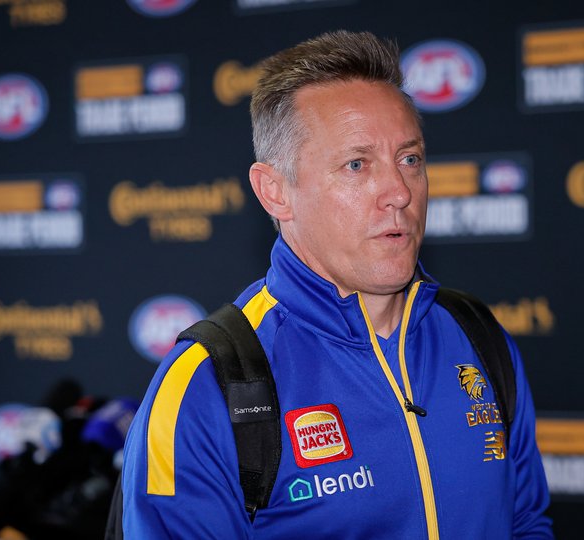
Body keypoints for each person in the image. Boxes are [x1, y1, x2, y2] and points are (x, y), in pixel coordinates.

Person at [122, 30, 553, 539]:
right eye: (357, 164)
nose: (397, 192)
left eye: (409, 159)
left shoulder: (476, 334)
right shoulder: (210, 384)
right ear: (275, 192)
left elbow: (525, 522)